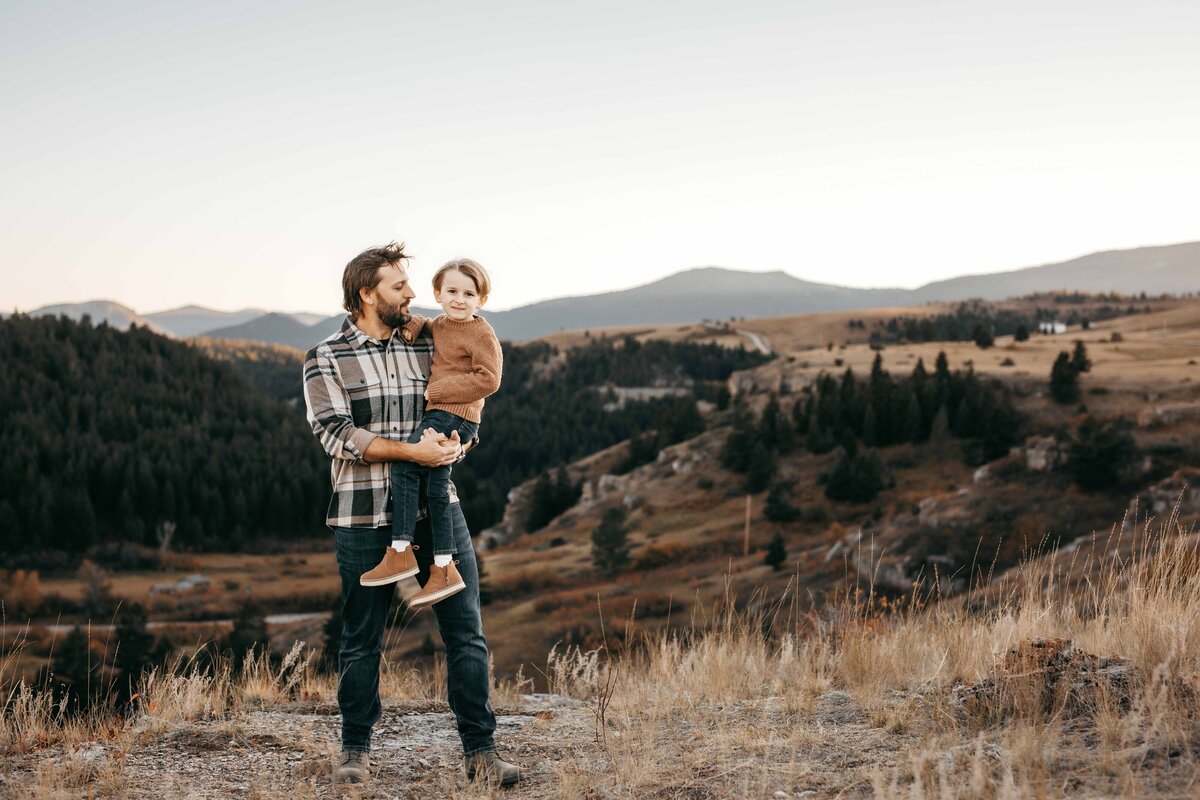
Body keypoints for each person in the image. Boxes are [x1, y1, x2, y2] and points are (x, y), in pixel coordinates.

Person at [302, 242, 520, 787]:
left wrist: (454, 448)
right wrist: (412, 453)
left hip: (435, 511)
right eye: (399, 286)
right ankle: (355, 751)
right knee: (361, 637)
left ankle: (482, 752)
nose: (412, 294)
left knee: (466, 632)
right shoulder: (326, 356)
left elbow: (460, 406)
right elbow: (336, 435)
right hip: (363, 514)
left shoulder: (425, 341)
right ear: (366, 293)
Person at [359, 258, 503, 609]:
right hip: (445, 414)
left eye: (469, 294)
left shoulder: (481, 333)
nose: (459, 299)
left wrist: (438, 391)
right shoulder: (440, 324)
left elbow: (490, 380)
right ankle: (442, 566)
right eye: (452, 291)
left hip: (454, 414)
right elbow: (428, 325)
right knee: (436, 487)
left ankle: (401, 549)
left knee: (405, 467)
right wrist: (413, 324)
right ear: (438, 293)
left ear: (480, 300)